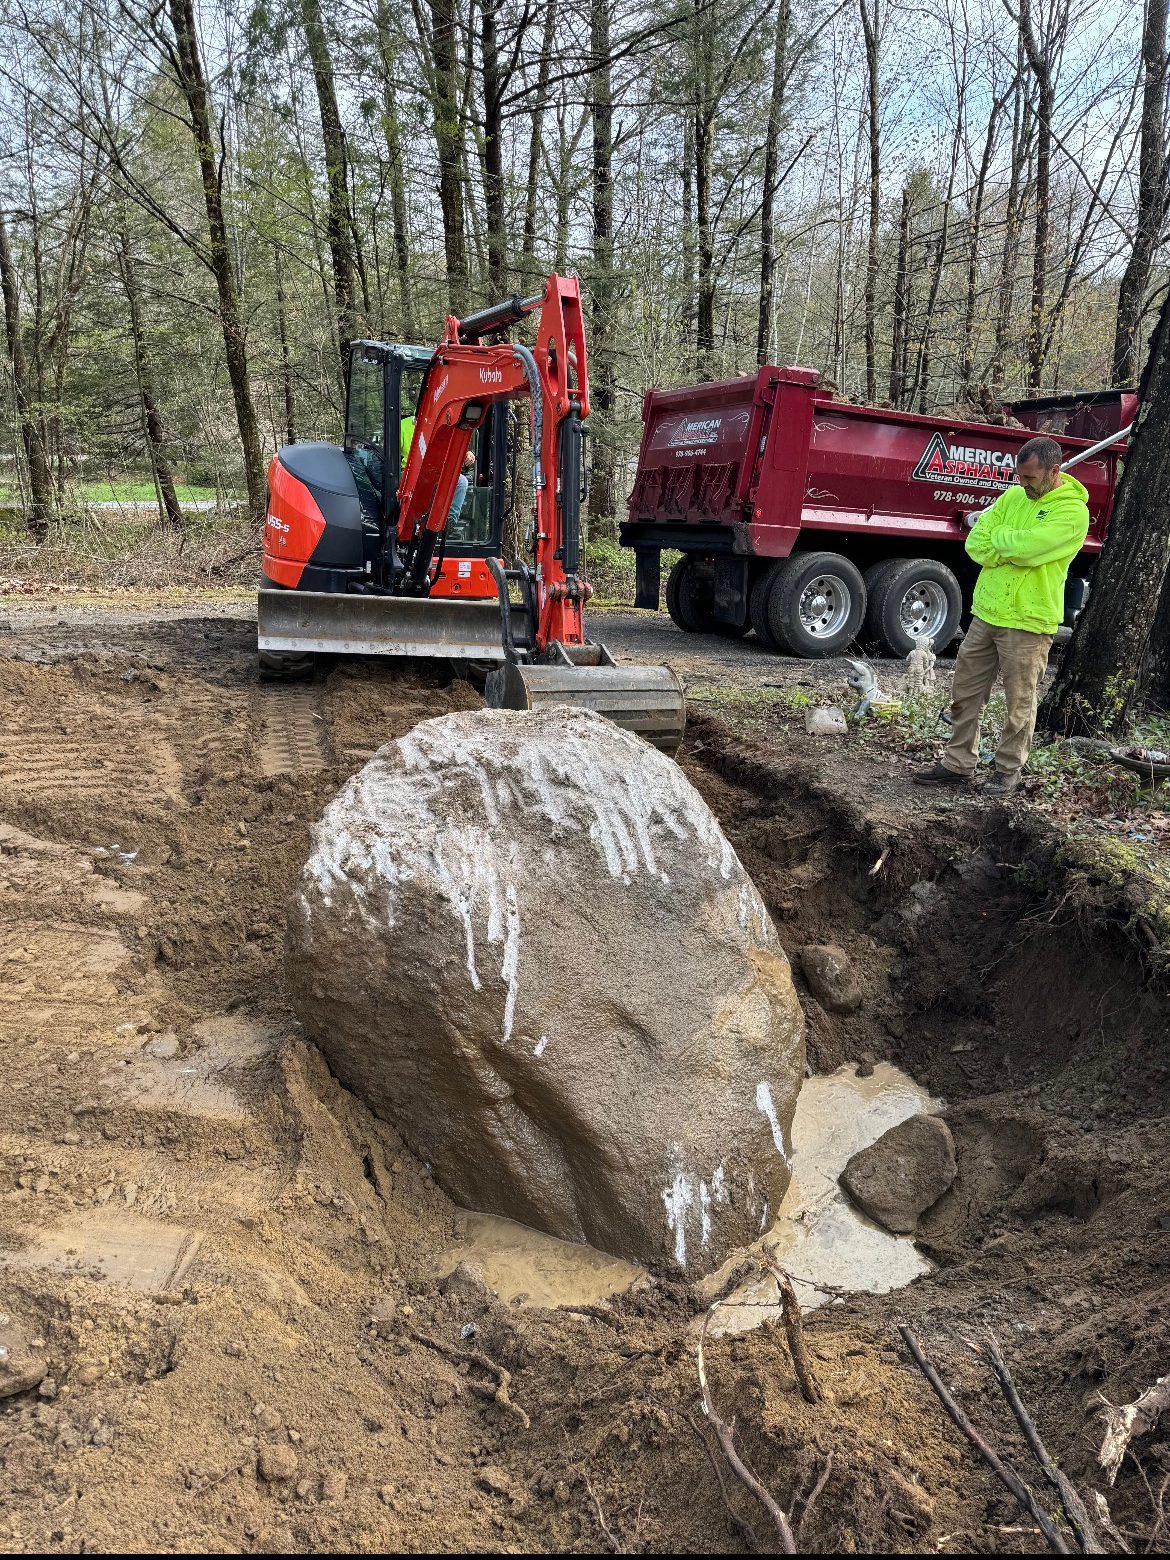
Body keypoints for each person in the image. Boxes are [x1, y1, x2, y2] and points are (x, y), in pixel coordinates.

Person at [914, 435, 1090, 797]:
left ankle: (1008, 770)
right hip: (987, 613)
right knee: (966, 692)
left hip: (1028, 621)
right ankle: (958, 764)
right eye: (1019, 476)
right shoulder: (1012, 496)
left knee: (1019, 701)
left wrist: (1003, 541)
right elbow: (975, 542)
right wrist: (1008, 545)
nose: (1022, 485)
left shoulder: (1072, 511)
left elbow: (1027, 550)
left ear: (1054, 471)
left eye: (1030, 478)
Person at [399, 414, 473, 525]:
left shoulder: (445, 428)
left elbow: (454, 447)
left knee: (461, 481)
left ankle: (450, 522)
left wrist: (467, 454)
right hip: (409, 473)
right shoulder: (404, 426)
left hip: (436, 471)